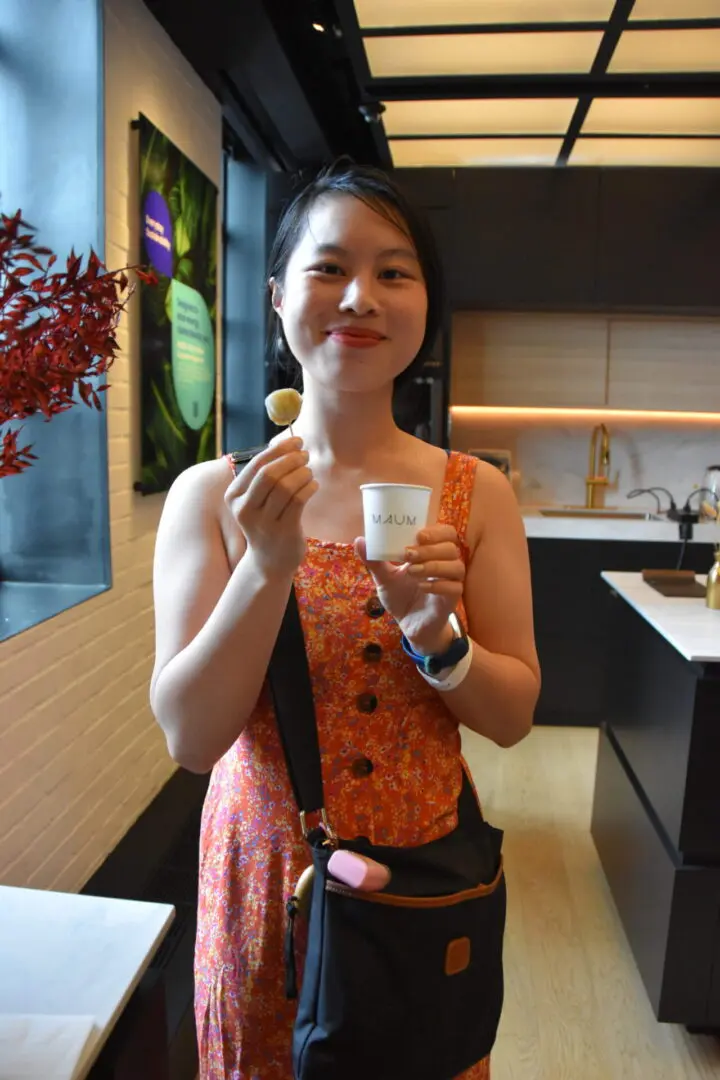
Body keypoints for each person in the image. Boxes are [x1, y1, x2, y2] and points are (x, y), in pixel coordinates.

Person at [150, 161, 541, 1080]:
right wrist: (267, 569)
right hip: (266, 882)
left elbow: (515, 715)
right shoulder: (217, 494)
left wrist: (438, 639)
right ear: (280, 295)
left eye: (395, 272)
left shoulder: (473, 493)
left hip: (421, 881)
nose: (360, 297)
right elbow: (193, 739)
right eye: (329, 268)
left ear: (424, 304)